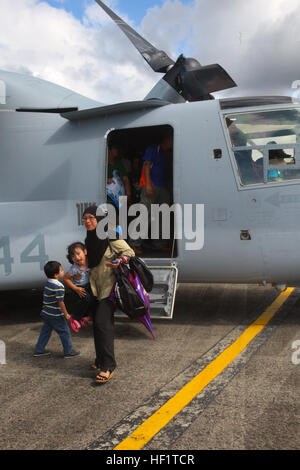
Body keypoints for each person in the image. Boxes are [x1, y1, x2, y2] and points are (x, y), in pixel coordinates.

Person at [82, 205, 135, 384]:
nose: (87, 221)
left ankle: (108, 366)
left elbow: (129, 252)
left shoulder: (110, 234)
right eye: (85, 218)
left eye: (91, 218)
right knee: (97, 325)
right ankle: (99, 360)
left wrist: (119, 260)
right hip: (95, 287)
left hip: (109, 288)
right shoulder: (89, 238)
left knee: (102, 324)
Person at [134, 133, 173, 252]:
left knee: (163, 216)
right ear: (165, 140)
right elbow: (146, 166)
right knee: (146, 214)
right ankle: (134, 243)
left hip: (163, 187)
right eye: (171, 140)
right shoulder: (153, 149)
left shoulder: (168, 154)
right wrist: (148, 185)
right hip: (151, 185)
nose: (172, 142)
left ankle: (159, 244)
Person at [34, 261, 80, 358]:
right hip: (55, 315)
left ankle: (39, 349)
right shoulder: (58, 286)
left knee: (45, 332)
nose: (63, 271)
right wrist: (66, 314)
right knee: (64, 331)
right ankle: (68, 351)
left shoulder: (48, 283)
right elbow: (60, 302)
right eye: (61, 270)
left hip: (46, 313)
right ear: (56, 275)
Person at [63, 242, 97, 333]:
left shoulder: (89, 262)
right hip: (78, 287)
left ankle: (84, 317)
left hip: (87, 284)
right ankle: (75, 318)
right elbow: (66, 279)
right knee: (86, 299)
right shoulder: (74, 269)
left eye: (78, 254)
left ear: (85, 252)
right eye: (73, 256)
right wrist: (75, 288)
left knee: (93, 299)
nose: (77, 258)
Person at [107, 143, 132, 209]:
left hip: (121, 196)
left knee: (122, 217)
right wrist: (106, 180)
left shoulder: (118, 163)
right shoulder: (103, 163)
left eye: (117, 148)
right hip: (109, 199)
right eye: (115, 148)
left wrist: (128, 193)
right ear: (109, 150)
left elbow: (125, 178)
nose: (117, 150)